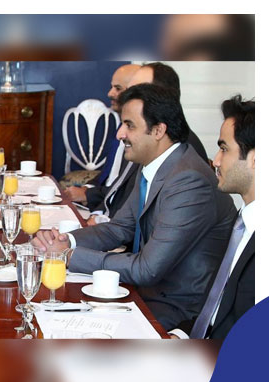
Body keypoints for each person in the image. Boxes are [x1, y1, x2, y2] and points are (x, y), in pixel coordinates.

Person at [33, 84, 236, 329]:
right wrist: (67, 240)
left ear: (159, 130)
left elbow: (147, 269)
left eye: (129, 125)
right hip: (144, 291)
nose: (120, 134)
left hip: (175, 309)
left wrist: (68, 255)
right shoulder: (155, 164)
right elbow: (119, 228)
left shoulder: (189, 180)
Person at [82, 61, 211, 227]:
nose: (127, 94)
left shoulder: (182, 156)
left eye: (138, 89)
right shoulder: (145, 144)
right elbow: (123, 220)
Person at [170, 95, 254, 339]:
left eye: (224, 149)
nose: (215, 160)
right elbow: (214, 310)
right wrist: (179, 336)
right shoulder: (241, 223)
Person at [66, 64, 140, 211]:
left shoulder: (139, 140)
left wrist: (88, 195)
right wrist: (86, 189)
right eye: (111, 87)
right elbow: (109, 174)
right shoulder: (121, 128)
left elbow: (122, 190)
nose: (110, 93)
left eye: (118, 88)